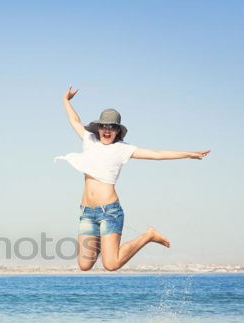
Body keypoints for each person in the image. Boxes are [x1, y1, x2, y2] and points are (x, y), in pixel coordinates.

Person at [55, 85, 210, 272]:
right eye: (104, 126)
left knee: (111, 264)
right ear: (98, 128)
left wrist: (188, 154)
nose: (107, 130)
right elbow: (74, 120)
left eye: (112, 127)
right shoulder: (90, 140)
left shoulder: (123, 149)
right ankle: (107, 246)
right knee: (85, 265)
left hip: (109, 212)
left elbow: (156, 154)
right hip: (87, 212)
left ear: (117, 131)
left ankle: (148, 235)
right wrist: (65, 100)